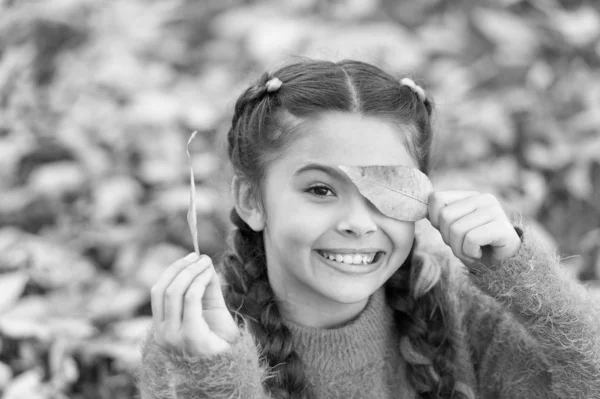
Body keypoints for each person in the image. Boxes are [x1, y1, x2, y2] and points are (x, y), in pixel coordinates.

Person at [136, 59, 600, 399]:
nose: (358, 224)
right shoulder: (199, 341)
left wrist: (524, 278)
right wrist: (214, 379)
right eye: (320, 189)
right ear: (252, 201)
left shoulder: (460, 310)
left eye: (385, 190)